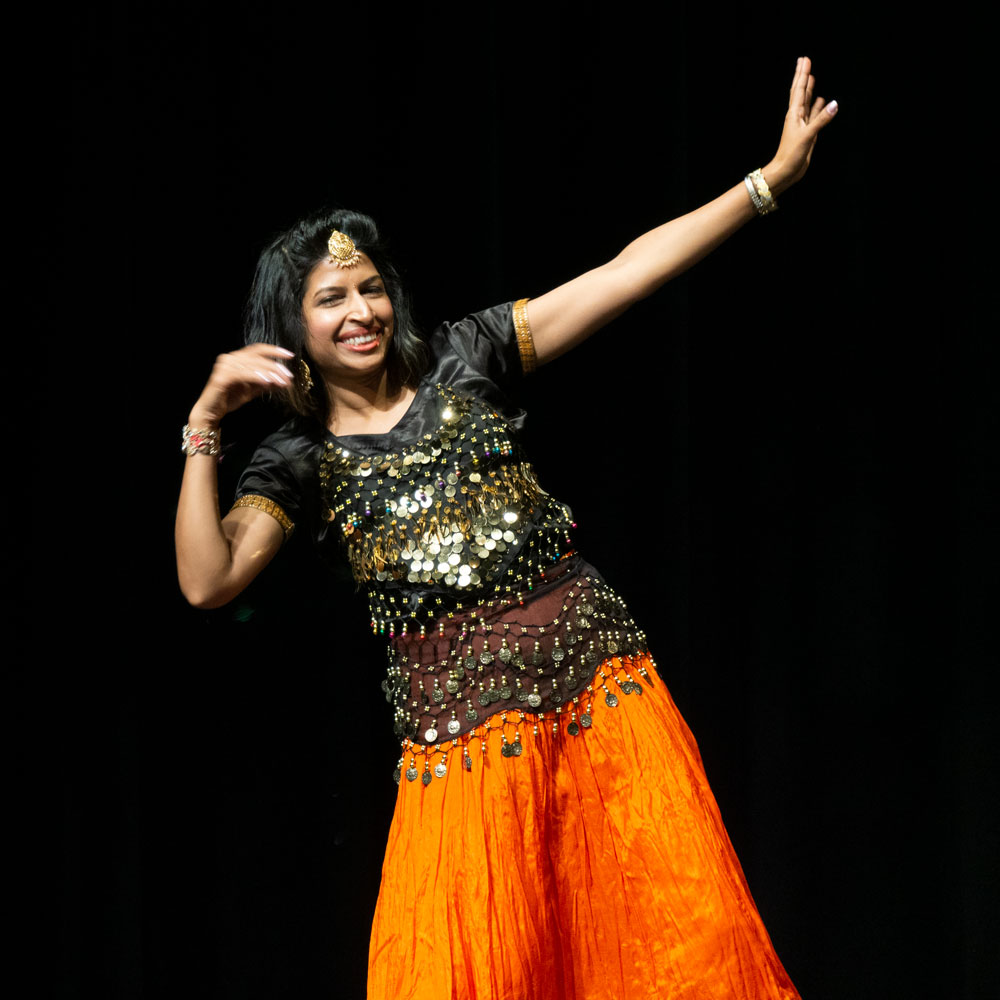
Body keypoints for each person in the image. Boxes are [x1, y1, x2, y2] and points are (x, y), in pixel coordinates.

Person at [177, 57, 837, 1000]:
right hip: (466, 756)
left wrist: (765, 183)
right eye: (332, 299)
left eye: (370, 288)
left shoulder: (465, 355)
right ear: (290, 325)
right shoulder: (295, 461)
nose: (362, 311)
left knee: (673, 955)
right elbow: (209, 581)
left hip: (604, 706)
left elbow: (623, 276)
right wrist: (207, 417)